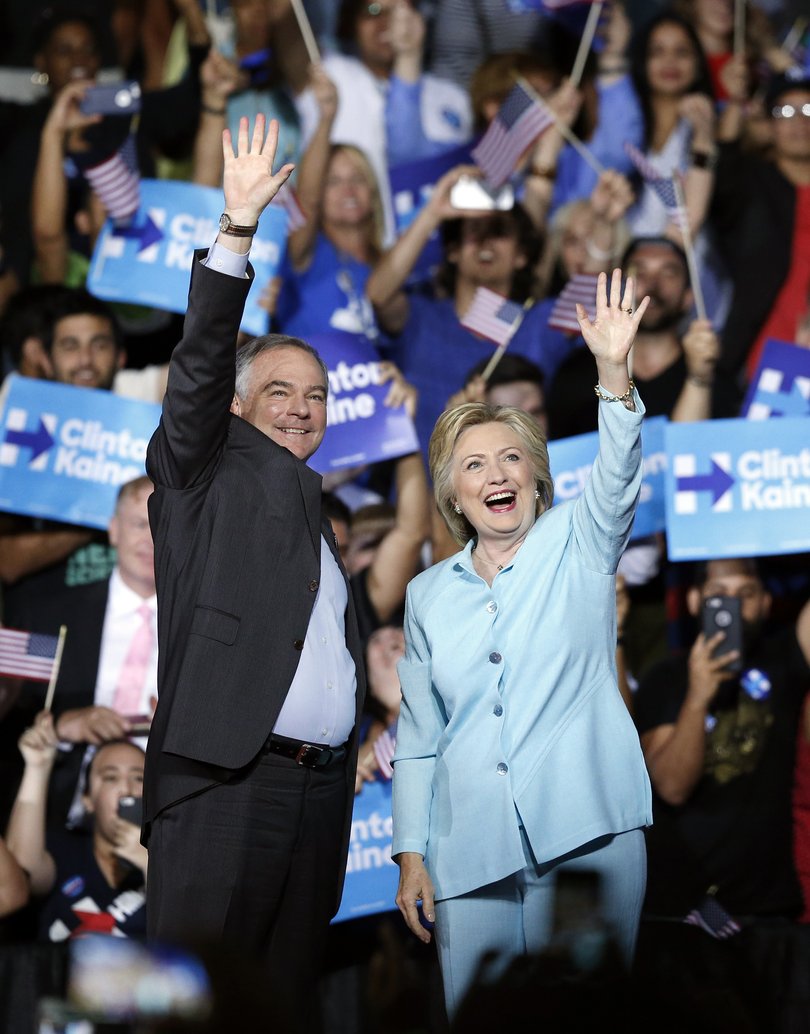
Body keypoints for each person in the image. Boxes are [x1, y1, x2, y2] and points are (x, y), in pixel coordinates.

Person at [143, 115, 366, 1022]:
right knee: (191, 1010)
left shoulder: (322, 525)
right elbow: (197, 372)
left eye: (317, 397)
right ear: (236, 408)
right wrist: (236, 234)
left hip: (316, 800)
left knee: (281, 1011)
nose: (303, 410)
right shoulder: (202, 474)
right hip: (225, 785)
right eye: (280, 391)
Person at [391, 269, 653, 1018]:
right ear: (455, 496)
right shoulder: (427, 594)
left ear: (538, 477)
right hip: (468, 852)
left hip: (586, 839)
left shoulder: (582, 537)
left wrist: (613, 373)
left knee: (584, 1018)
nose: (495, 475)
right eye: (474, 465)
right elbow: (418, 737)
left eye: (510, 459)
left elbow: (618, 473)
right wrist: (413, 852)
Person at [633, 558, 810, 1026]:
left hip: (768, 916)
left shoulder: (784, 662)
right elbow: (670, 787)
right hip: (683, 918)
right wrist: (699, 695)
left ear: (767, 602)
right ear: (693, 602)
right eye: (718, 593)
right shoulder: (664, 679)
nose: (731, 605)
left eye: (746, 593)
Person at [6, 714, 148, 941]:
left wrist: (152, 866)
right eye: (110, 778)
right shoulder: (65, 852)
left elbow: (189, 936)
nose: (126, 789)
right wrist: (38, 767)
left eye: (139, 778)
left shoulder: (173, 866)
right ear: (87, 799)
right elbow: (23, 871)